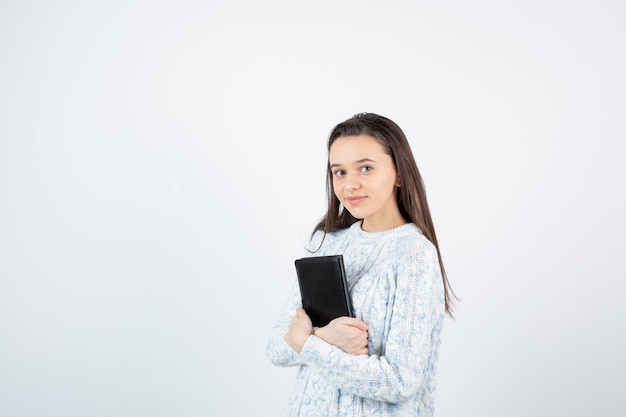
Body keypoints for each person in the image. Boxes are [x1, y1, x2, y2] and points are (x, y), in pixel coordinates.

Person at [266, 112, 455, 417]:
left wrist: (309, 345)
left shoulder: (414, 256)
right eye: (339, 172)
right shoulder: (330, 242)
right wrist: (322, 337)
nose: (350, 184)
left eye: (365, 168)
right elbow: (277, 345)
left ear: (399, 174)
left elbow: (399, 380)